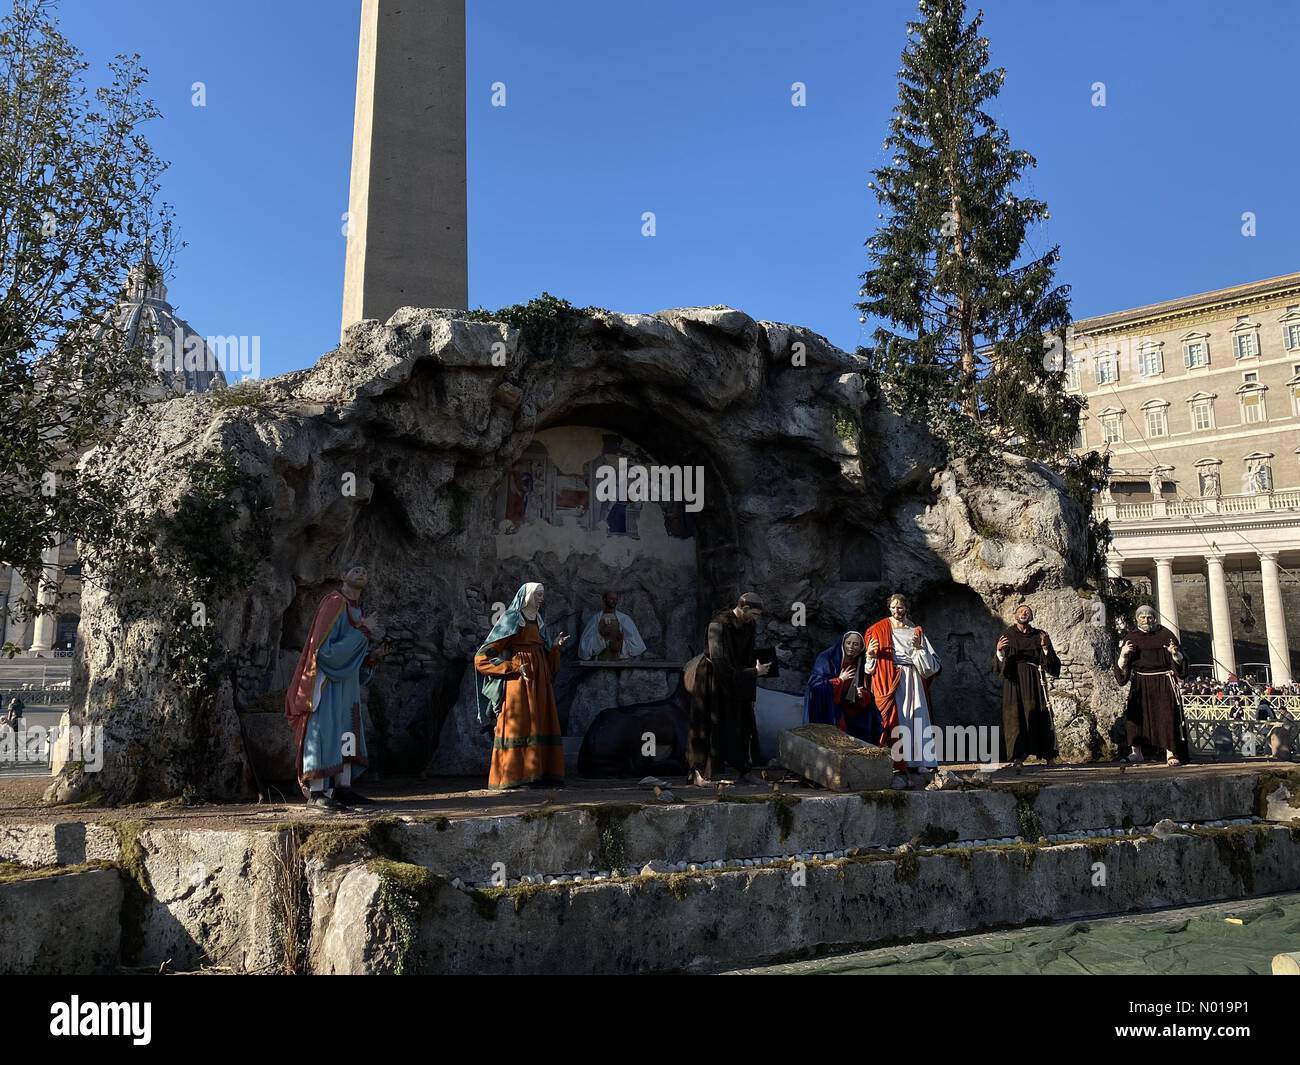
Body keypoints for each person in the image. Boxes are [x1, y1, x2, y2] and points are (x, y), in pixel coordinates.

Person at [285, 565, 385, 811]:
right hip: (327, 682)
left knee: (347, 730)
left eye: (365, 570)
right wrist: (363, 632)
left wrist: (371, 658)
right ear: (342, 576)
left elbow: (352, 660)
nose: (361, 571)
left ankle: (343, 787)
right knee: (324, 731)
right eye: (355, 569)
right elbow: (324, 652)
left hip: (347, 684)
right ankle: (317, 791)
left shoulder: (356, 610)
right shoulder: (333, 602)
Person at [475, 582, 570, 790]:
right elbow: (482, 657)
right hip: (520, 682)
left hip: (540, 682)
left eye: (542, 594)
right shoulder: (512, 618)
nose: (540, 598)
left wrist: (554, 648)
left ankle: (540, 774)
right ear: (525, 596)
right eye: (537, 594)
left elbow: (547, 659)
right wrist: (512, 667)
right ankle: (516, 775)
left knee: (540, 722)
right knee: (521, 723)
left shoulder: (540, 621)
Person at [687, 592, 769, 785]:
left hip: (737, 678)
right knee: (707, 723)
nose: (756, 619)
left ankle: (743, 770)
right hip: (713, 679)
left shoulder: (749, 625)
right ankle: (699, 773)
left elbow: (746, 654)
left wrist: (756, 667)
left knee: (742, 722)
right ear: (745, 608)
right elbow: (719, 661)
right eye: (755, 614)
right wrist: (751, 672)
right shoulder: (718, 625)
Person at [863, 593, 941, 790]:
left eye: (900, 607)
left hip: (913, 677)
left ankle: (920, 761)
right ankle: (897, 762)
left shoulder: (915, 631)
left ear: (906, 608)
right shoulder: (877, 630)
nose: (896, 611)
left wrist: (918, 650)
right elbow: (868, 668)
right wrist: (871, 655)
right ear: (889, 608)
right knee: (896, 718)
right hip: (890, 679)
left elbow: (932, 667)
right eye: (893, 607)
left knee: (918, 717)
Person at [1114, 604, 1187, 767]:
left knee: (1166, 716)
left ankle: (1170, 752)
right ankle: (1136, 753)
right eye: (1142, 617)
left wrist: (1175, 654)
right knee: (1136, 718)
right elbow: (1122, 667)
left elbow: (1181, 661)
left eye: (1149, 617)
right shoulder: (1131, 638)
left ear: (1154, 618)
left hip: (1163, 681)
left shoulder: (1166, 634)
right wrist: (1124, 655)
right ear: (1137, 619)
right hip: (1140, 682)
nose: (1146, 620)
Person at [993, 604, 1060, 767]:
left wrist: (1045, 648)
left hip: (1035, 680)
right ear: (1015, 615)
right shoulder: (1007, 635)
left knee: (1041, 715)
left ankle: (1049, 755)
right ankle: (1017, 757)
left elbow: (1053, 664)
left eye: (1027, 612)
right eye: (1021, 611)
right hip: (1014, 680)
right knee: (1015, 718)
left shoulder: (1040, 635)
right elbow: (998, 663)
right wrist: (999, 651)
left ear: (1031, 617)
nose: (1024, 613)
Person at [804, 631, 880, 744]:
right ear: (843, 644)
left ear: (860, 648)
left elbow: (866, 687)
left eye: (855, 644)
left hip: (848, 706)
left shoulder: (859, 663)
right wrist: (839, 680)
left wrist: (861, 694)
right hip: (829, 706)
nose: (851, 647)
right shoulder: (826, 658)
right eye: (848, 643)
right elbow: (816, 687)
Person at [578, 591, 647, 661]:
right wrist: (600, 638)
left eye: (615, 599)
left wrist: (620, 641)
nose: (614, 601)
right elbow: (586, 641)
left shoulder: (625, 619)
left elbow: (635, 642)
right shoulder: (596, 619)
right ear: (604, 599)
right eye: (611, 598)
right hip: (600, 659)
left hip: (619, 658)